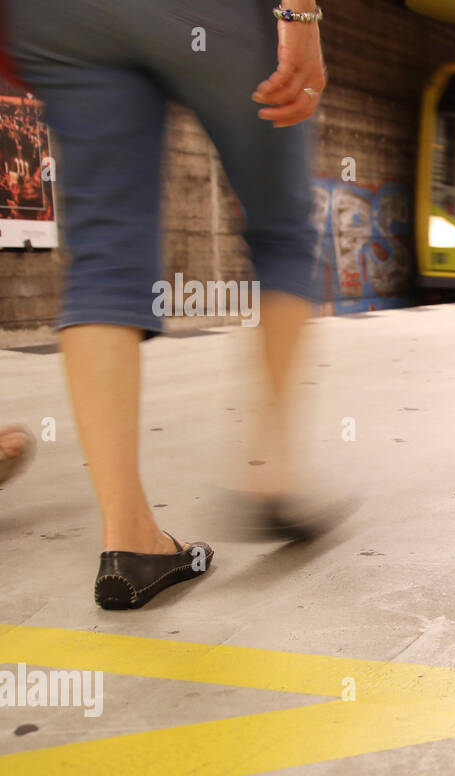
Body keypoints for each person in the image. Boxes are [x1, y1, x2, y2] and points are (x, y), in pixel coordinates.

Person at [4, 0, 331, 609]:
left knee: (103, 253)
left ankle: (129, 539)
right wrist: (299, 17)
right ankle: (270, 472)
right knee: (282, 232)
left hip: (56, 19)